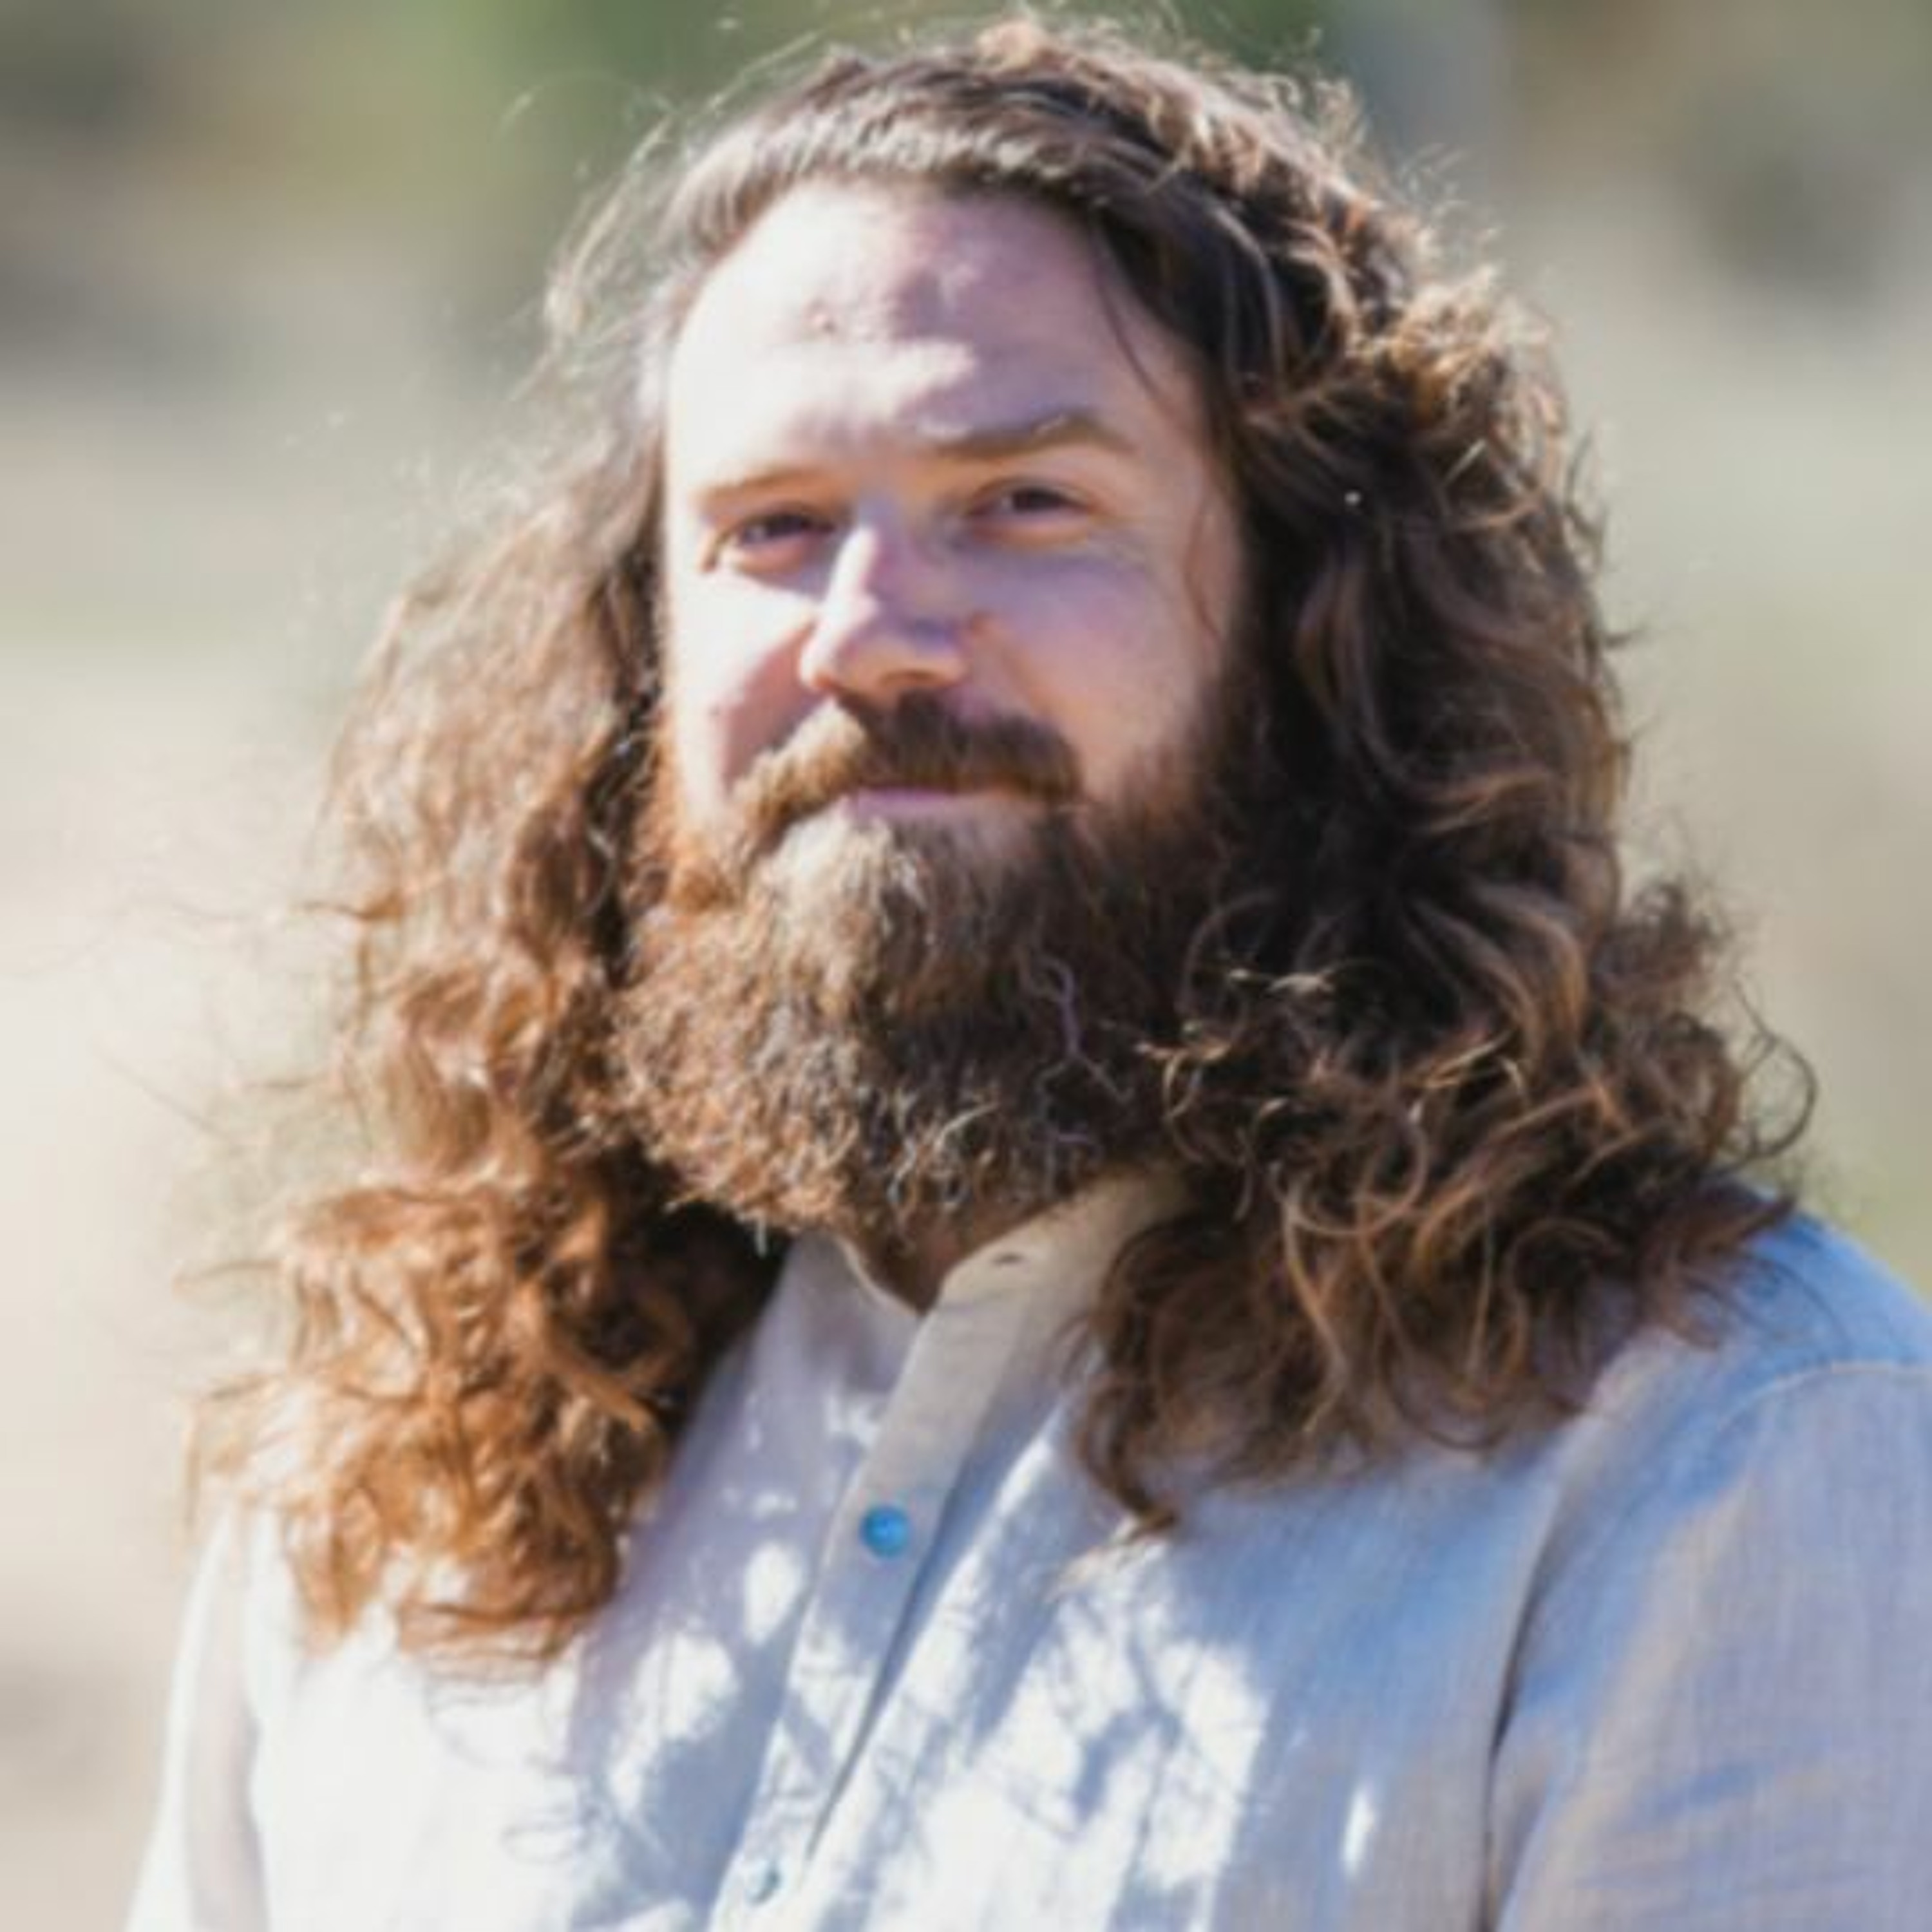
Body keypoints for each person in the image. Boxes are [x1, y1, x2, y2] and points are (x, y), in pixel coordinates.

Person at [130, 17, 1932, 1930]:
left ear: (1323, 630)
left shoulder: (1720, 1456)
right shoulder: (406, 1467)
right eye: (771, 528)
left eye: (1026, 503)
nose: (870, 637)